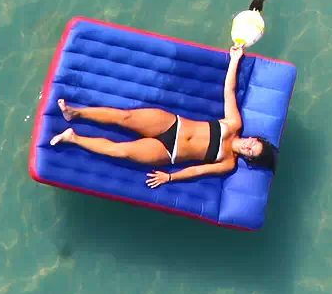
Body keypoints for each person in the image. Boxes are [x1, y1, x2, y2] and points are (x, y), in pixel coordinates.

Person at [49, 45, 277, 188]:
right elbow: (229, 91)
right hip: (172, 124)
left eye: (250, 151)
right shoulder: (235, 124)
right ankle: (74, 112)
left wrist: (170, 178)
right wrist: (235, 60)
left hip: (169, 153)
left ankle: (73, 138)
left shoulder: (228, 163)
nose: (248, 145)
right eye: (253, 143)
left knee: (122, 151)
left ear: (249, 158)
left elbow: (198, 170)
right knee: (125, 117)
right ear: (254, 138)